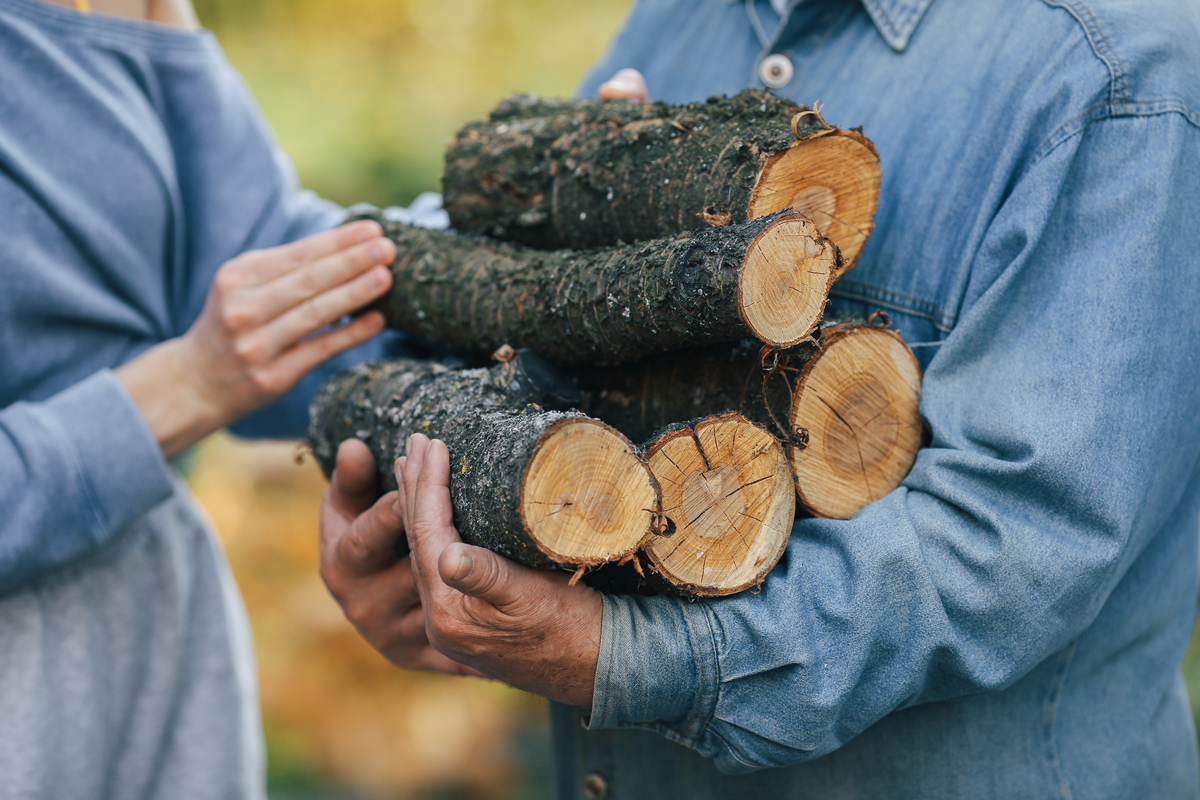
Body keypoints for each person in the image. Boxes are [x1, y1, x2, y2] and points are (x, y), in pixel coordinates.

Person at [319, 0, 1200, 797]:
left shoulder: (1119, 77)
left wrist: (626, 659)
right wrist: (429, 560)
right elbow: (542, 348)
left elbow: (1019, 542)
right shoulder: (677, 20)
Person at [0, 0, 450, 796]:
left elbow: (251, 269)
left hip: (150, 661)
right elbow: (213, 358)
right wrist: (184, 387)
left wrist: (529, 228)